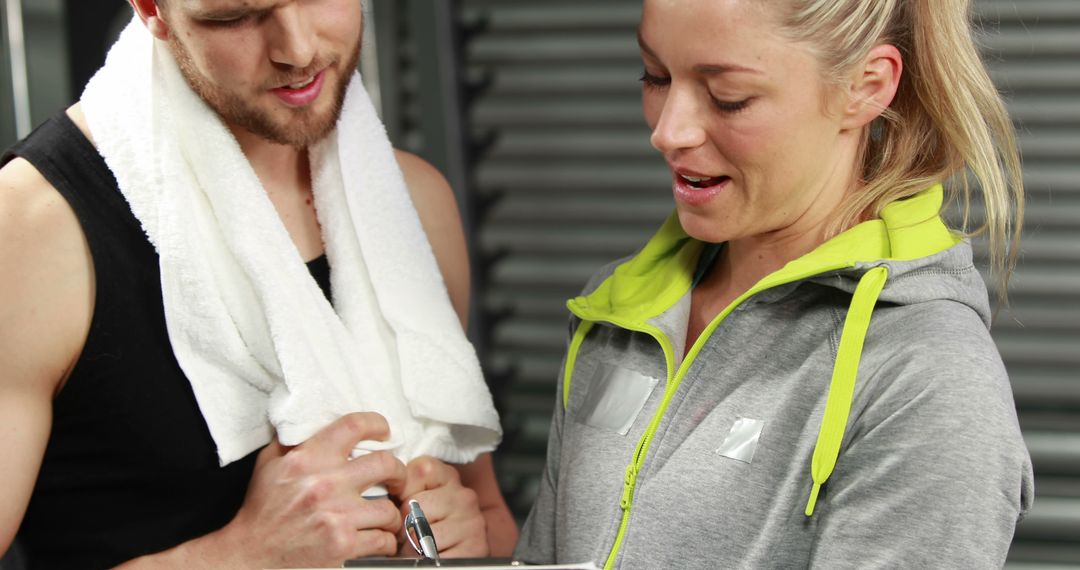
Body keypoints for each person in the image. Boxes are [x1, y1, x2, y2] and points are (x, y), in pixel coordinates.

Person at [514, 0, 1033, 568]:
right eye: (655, 76)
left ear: (866, 86)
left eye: (728, 97)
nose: (668, 132)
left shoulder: (926, 377)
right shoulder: (619, 313)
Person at [0, 0, 518, 568]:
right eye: (236, 16)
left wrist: (471, 536)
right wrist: (240, 555)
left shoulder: (414, 203)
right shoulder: (31, 231)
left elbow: (490, 515)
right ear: (153, 9)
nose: (296, 50)